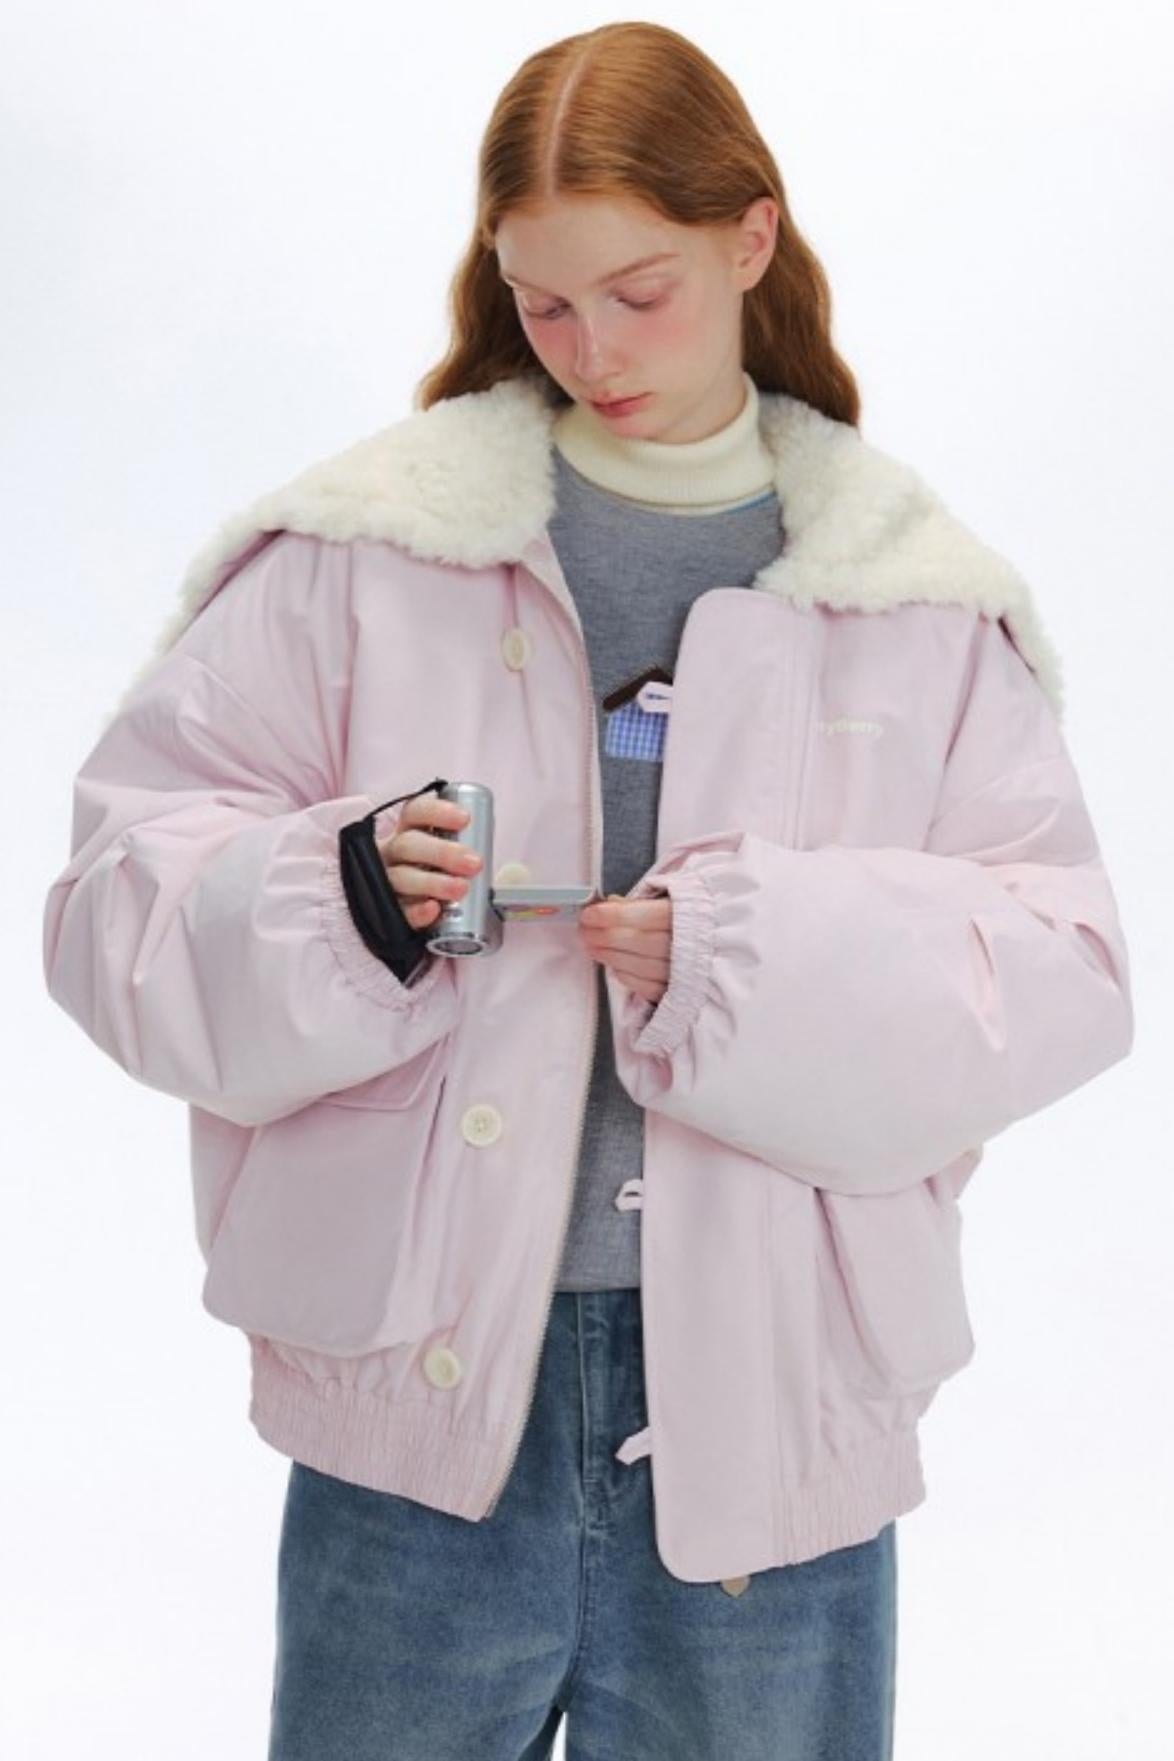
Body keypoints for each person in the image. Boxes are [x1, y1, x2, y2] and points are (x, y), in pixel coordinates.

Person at [41, 20, 1134, 1761]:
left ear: (749, 240)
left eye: (638, 292)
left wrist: (746, 958)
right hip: (412, 1422)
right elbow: (112, 902)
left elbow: (1062, 973)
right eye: (543, 302)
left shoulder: (911, 599)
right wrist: (343, 897)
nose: (592, 349)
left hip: (774, 1426)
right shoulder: (358, 556)